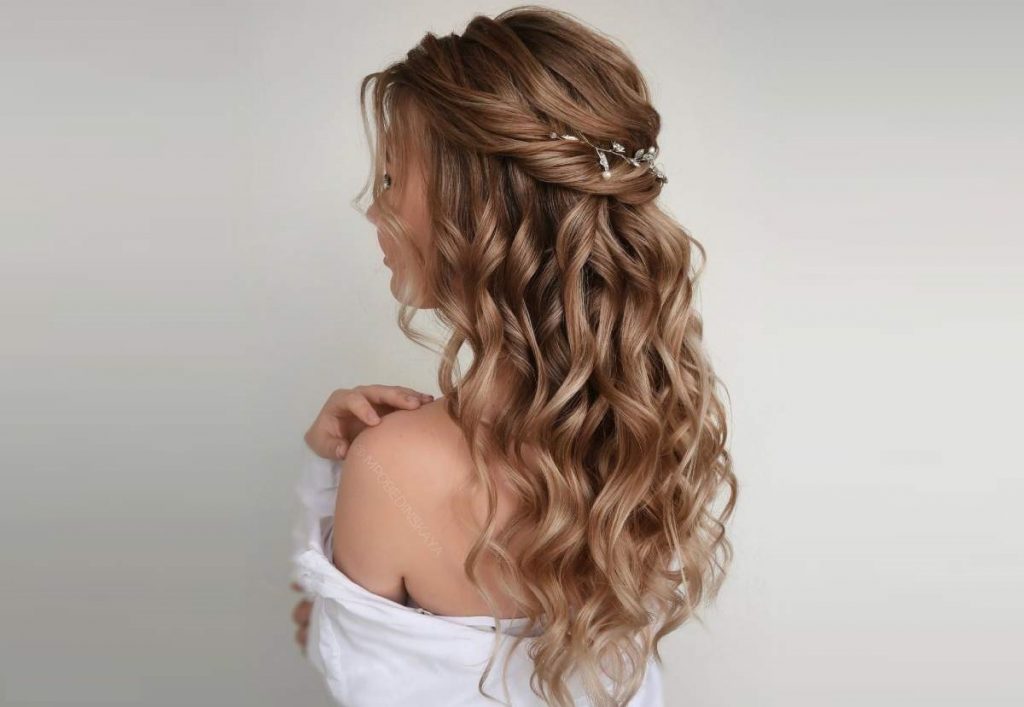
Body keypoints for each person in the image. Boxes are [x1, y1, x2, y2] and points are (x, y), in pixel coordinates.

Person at [290, 6, 737, 706]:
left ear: (476, 207)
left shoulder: (393, 463)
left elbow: (347, 668)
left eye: (391, 179)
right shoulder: (653, 434)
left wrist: (324, 476)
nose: (374, 210)